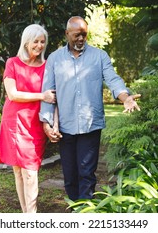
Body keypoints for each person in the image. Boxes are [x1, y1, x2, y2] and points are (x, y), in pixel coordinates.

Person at [39, 16, 141, 201]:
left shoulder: (99, 56)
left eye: (84, 35)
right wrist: (46, 123)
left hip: (90, 124)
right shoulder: (54, 59)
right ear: (67, 34)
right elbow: (48, 92)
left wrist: (125, 97)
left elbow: (113, 79)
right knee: (69, 175)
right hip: (65, 126)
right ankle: (74, 206)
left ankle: (84, 212)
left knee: (87, 172)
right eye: (77, 35)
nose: (81, 39)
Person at [0, 24, 57, 213]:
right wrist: (42, 96)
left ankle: (31, 216)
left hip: (35, 124)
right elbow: (13, 94)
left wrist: (54, 122)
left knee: (30, 172)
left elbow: (55, 98)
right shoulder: (12, 63)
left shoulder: (48, 67)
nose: (39, 46)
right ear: (26, 42)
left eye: (42, 42)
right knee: (18, 171)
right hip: (14, 122)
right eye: (36, 41)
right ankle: (27, 216)